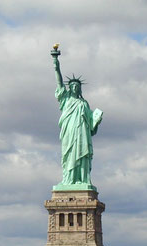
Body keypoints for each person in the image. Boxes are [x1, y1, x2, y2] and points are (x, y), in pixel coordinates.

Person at [52, 51, 103, 187]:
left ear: (80, 89)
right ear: (70, 88)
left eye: (77, 86)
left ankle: (82, 179)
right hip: (69, 131)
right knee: (69, 155)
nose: (74, 87)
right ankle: (68, 180)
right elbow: (59, 82)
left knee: (82, 155)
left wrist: (96, 121)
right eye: (72, 85)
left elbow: (91, 125)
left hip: (82, 133)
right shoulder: (66, 99)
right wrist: (56, 63)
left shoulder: (84, 103)